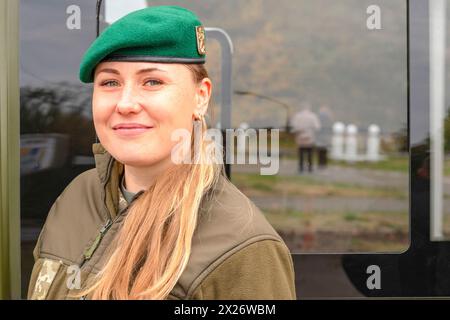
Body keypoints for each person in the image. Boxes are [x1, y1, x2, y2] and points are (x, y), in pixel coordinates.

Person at [27, 6, 296, 300]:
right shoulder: (76, 197)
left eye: (152, 81)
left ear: (201, 96)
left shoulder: (243, 246)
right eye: (110, 82)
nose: (125, 103)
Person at [290, 103, 321, 173]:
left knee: (301, 152)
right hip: (309, 137)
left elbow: (293, 127)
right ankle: (310, 168)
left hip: (300, 137)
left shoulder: (297, 116)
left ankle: (300, 168)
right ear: (309, 108)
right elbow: (317, 127)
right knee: (309, 153)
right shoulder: (312, 116)